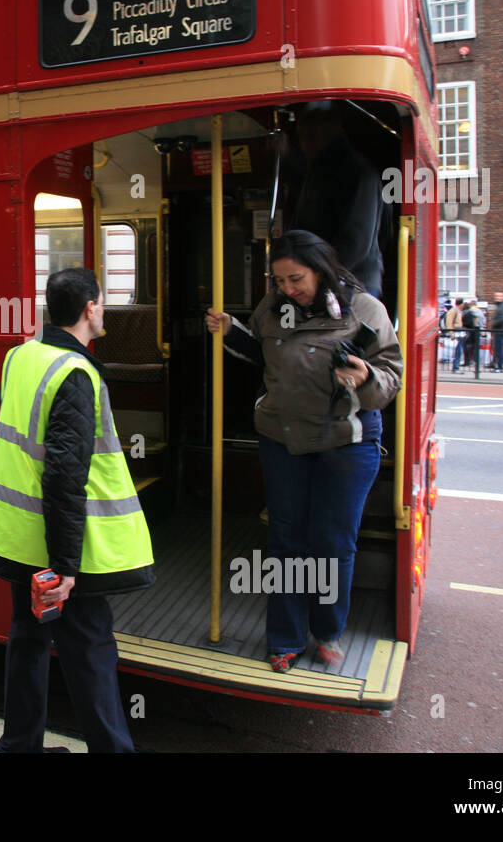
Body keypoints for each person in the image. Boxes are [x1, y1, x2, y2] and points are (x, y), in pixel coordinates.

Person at [207, 230, 401, 672]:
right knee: (287, 541)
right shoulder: (274, 308)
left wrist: (365, 375)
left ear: (322, 270)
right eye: (279, 281)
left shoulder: (365, 309)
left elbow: (391, 376)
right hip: (283, 438)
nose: (287, 290)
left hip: (345, 443)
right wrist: (229, 331)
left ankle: (328, 631)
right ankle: (286, 638)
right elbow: (262, 352)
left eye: (296, 280)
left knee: (332, 545)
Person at [0, 267, 154, 753]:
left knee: (29, 641)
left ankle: (19, 747)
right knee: (91, 652)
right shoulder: (75, 374)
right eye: (100, 304)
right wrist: (65, 566)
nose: (102, 312)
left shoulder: (20, 356)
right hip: (60, 548)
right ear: (89, 309)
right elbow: (64, 477)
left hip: (16, 538)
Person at [290, 101, 392, 300]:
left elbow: (356, 240)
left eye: (313, 136)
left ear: (335, 132)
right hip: (328, 281)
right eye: (303, 138)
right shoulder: (319, 171)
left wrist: (317, 278)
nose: (307, 145)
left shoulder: (357, 172)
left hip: (351, 284)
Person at [443, 298, 466, 371]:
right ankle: (456, 367)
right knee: (457, 351)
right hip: (456, 334)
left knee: (459, 351)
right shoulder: (453, 311)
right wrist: (451, 333)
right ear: (461, 304)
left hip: (459, 333)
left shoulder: (458, 311)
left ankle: (456, 367)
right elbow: (449, 323)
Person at [462, 299, 481, 372]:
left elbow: (467, 323)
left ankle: (468, 361)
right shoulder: (476, 312)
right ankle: (473, 361)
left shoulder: (469, 313)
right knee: (473, 347)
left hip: (470, 332)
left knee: (468, 347)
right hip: (474, 331)